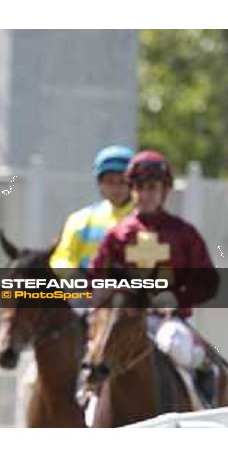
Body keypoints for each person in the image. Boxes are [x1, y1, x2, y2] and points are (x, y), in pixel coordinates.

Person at [90, 150, 219, 404]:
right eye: (139, 187)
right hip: (123, 322)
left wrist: (177, 297)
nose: (145, 194)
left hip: (167, 321)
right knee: (93, 352)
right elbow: (96, 277)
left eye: (152, 187)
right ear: (132, 190)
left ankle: (203, 387)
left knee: (175, 345)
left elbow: (208, 282)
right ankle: (85, 403)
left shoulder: (184, 233)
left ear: (164, 191)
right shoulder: (117, 235)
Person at [50, 145, 135, 272]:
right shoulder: (80, 219)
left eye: (122, 181)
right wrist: (78, 281)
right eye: (110, 181)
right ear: (99, 183)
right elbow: (60, 259)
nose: (116, 188)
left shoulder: (146, 221)